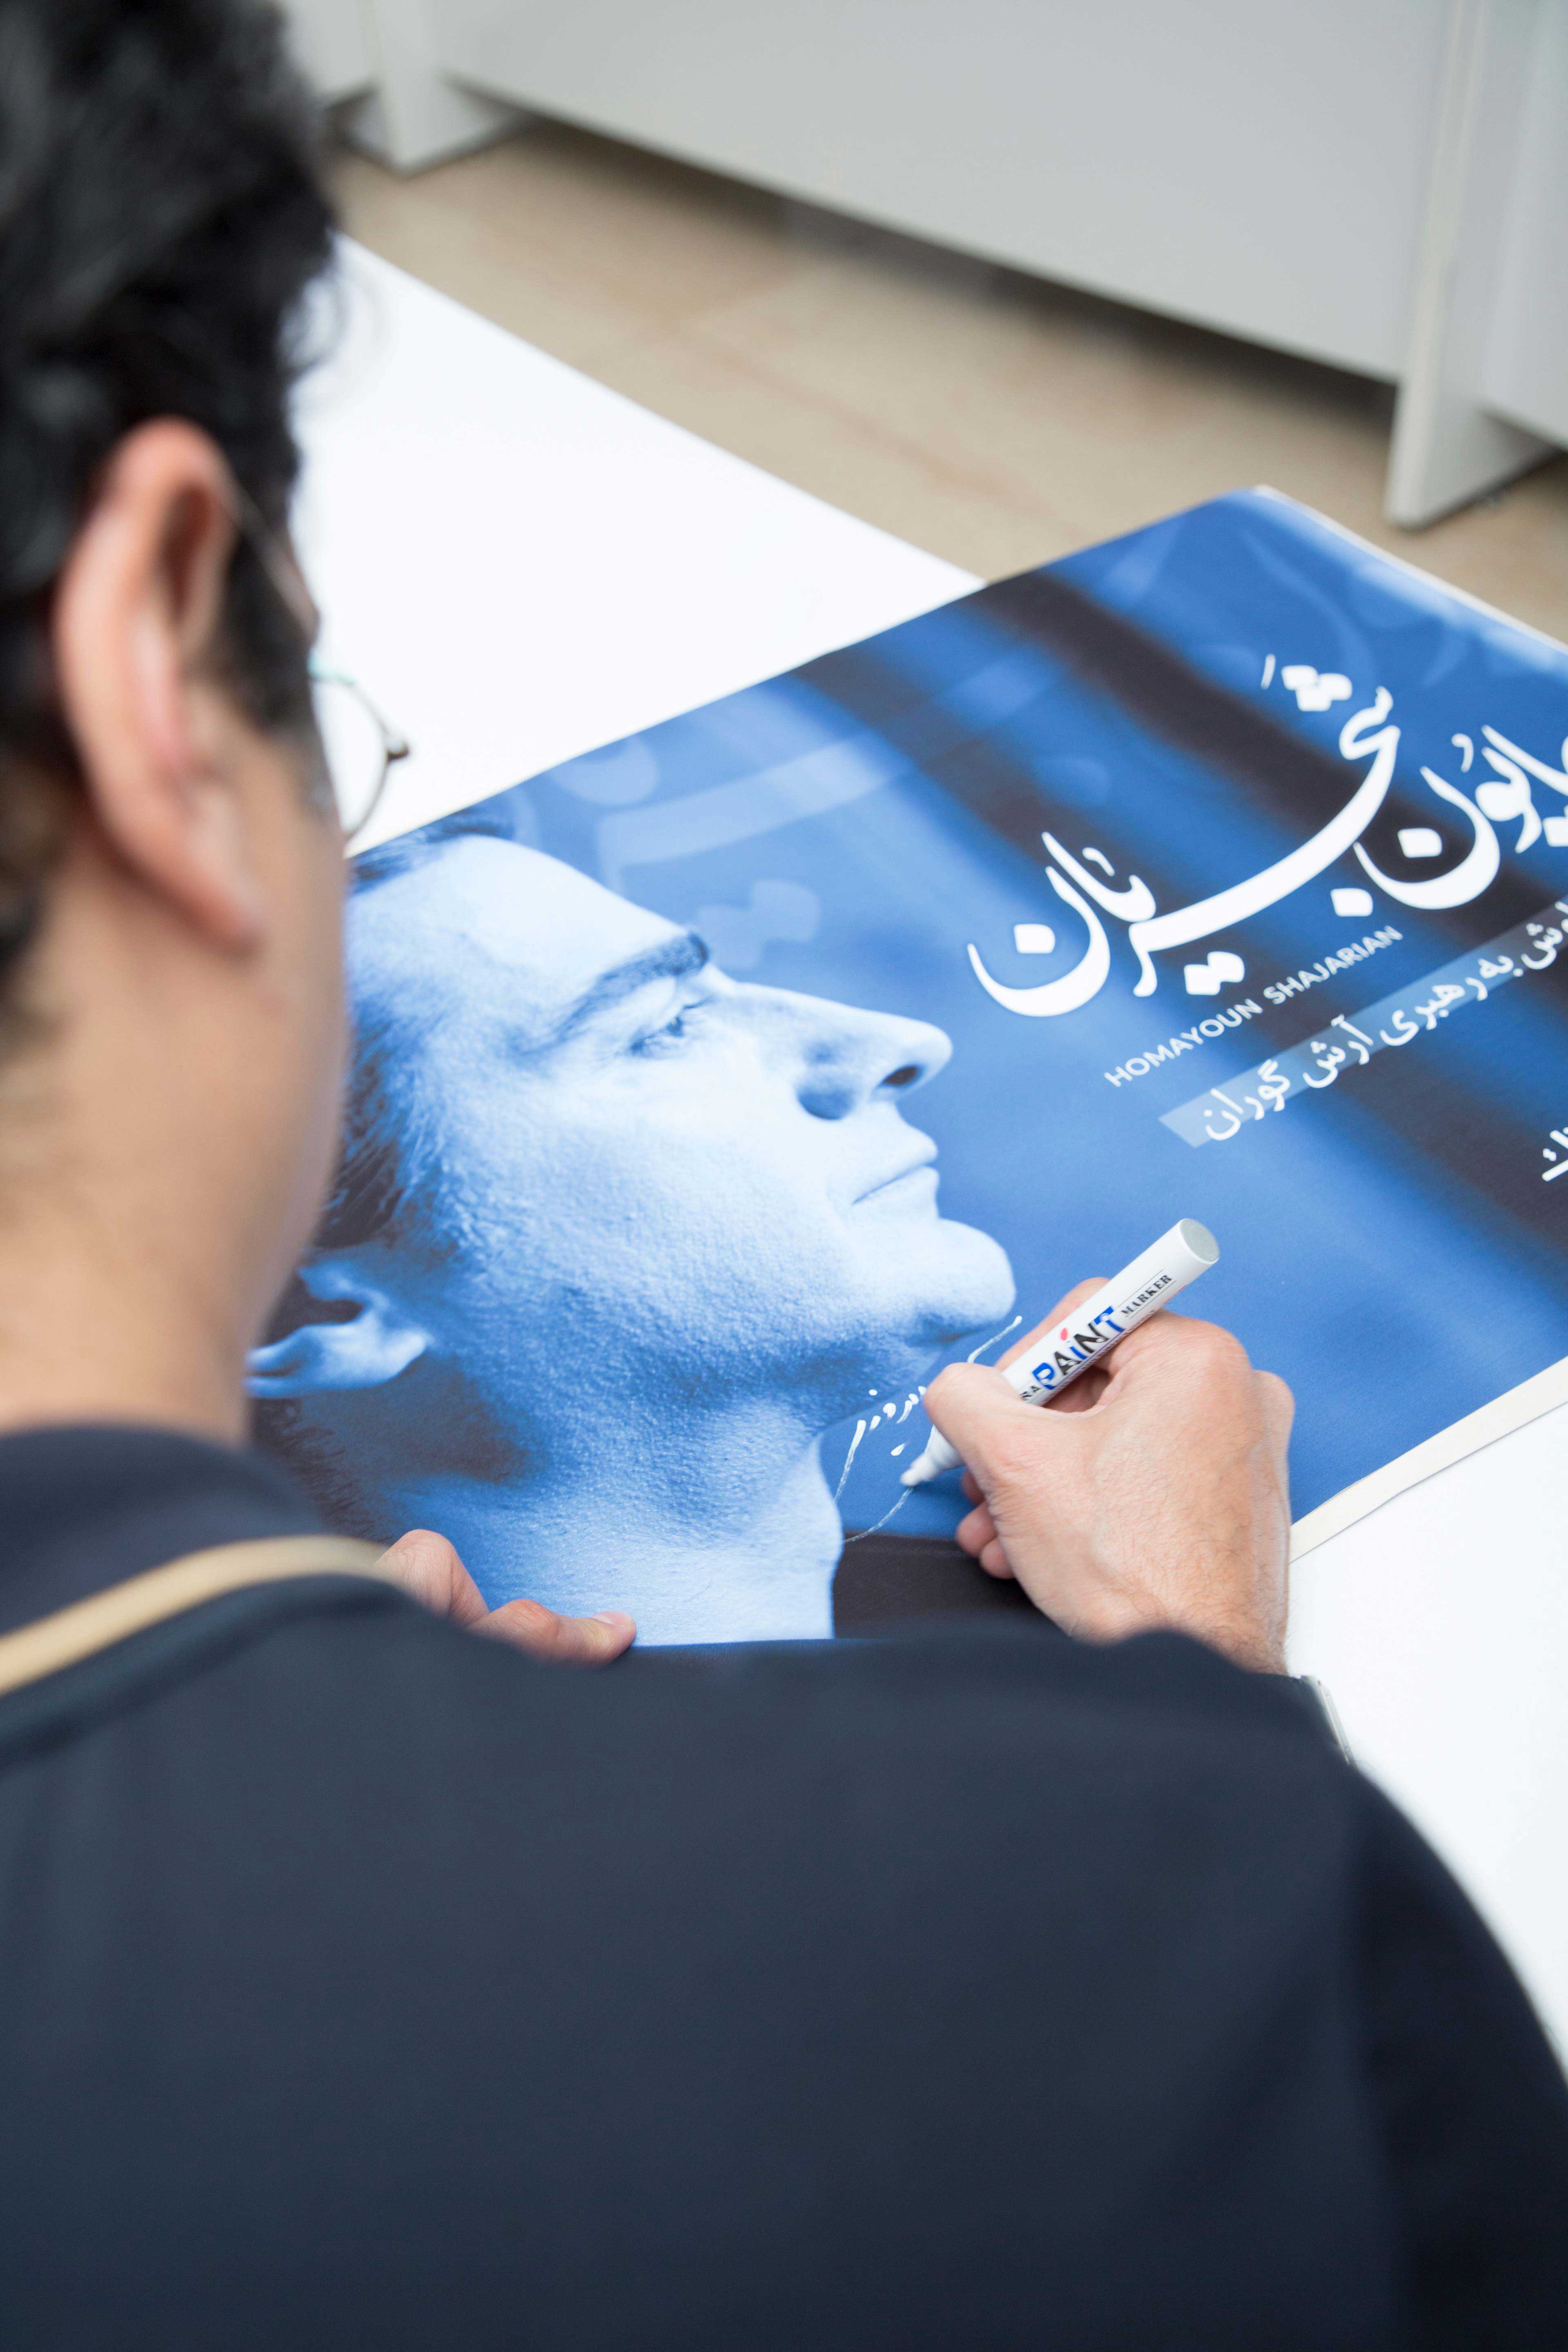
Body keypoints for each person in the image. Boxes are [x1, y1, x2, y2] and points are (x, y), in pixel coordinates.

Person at [0, 4, 1565, 2345]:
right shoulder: (1163, 1936)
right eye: (320, 734)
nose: (890, 1043)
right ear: (150, 662)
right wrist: (1184, 1732)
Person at [248, 813, 1016, 1640]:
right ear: (320, 1313)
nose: (896, 1043)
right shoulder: (1081, 1631)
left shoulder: (1049, 1610)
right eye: (663, 1027)